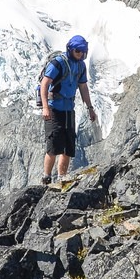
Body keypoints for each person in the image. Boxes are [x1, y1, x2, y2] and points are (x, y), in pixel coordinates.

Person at [39, 34, 98, 184]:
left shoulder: (80, 66)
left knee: (68, 144)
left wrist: (90, 108)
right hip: (54, 108)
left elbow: (83, 87)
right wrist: (45, 107)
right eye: (78, 51)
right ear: (70, 49)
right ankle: (46, 177)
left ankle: (62, 177)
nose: (81, 54)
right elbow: (45, 84)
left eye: (83, 51)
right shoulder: (58, 63)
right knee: (53, 144)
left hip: (68, 109)